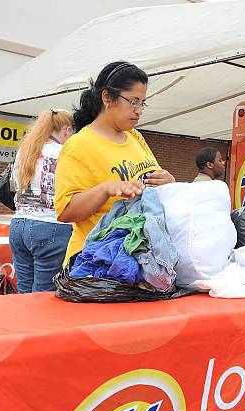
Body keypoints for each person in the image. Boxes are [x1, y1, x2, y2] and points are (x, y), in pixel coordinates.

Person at [55, 61, 175, 265]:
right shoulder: (80, 144)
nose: (139, 111)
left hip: (134, 259)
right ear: (107, 97)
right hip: (94, 262)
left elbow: (153, 183)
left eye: (142, 103)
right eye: (133, 101)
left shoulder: (135, 137)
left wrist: (169, 181)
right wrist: (105, 189)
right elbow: (66, 211)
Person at [9, 109, 75, 292]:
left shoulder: (26, 150)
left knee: (23, 290)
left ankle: (20, 322)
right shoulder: (64, 152)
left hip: (18, 224)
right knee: (43, 294)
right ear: (66, 130)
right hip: (50, 225)